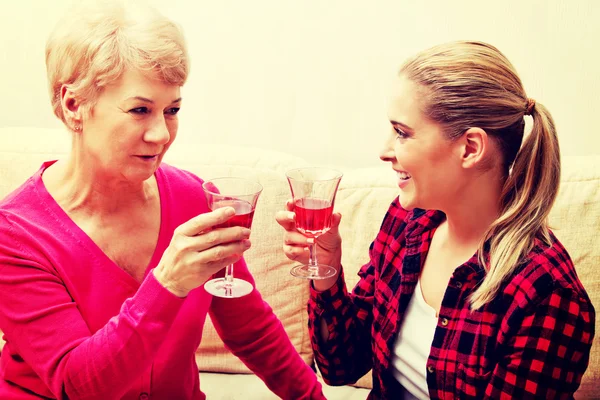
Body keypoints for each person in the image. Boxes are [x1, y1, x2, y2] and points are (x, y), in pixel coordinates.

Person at [0, 1, 325, 399]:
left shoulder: (193, 197)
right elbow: (76, 386)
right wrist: (168, 282)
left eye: (171, 110)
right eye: (140, 110)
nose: (161, 134)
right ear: (74, 106)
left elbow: (251, 330)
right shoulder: (15, 234)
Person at [277, 41, 595, 399]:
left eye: (402, 132)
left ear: (470, 148)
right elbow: (341, 368)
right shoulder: (406, 222)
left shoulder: (547, 294)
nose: (385, 151)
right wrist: (326, 269)